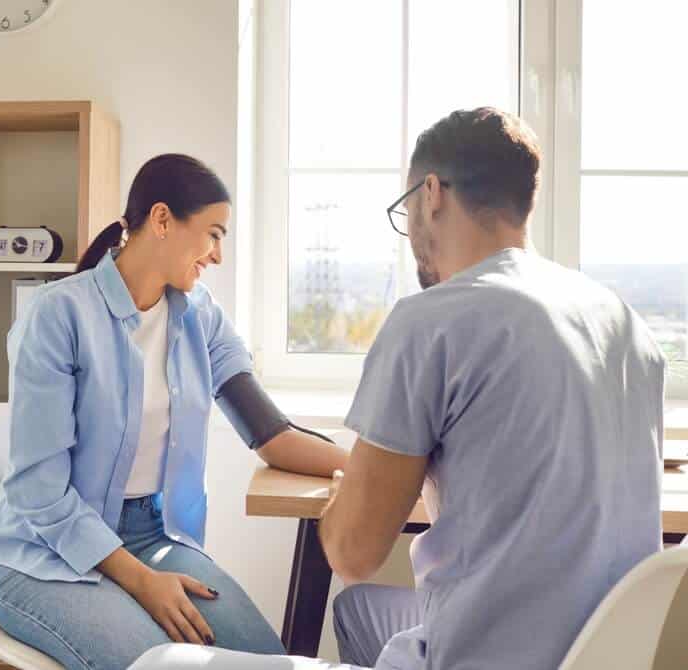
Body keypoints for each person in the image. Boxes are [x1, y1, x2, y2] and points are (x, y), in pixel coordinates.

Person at [129, 108, 665, 669]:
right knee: (361, 611)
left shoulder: (432, 320)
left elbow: (351, 553)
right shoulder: (626, 325)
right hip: (607, 654)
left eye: (405, 206)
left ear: (430, 193)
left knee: (164, 663)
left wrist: (343, 501)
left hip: (482, 658)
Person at [0, 153, 350, 670]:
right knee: (168, 666)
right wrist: (141, 581)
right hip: (40, 556)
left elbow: (272, 435)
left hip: (149, 535)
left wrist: (381, 470)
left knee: (268, 662)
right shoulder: (59, 315)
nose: (218, 255)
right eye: (214, 234)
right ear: (160, 220)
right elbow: (38, 495)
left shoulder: (201, 317)